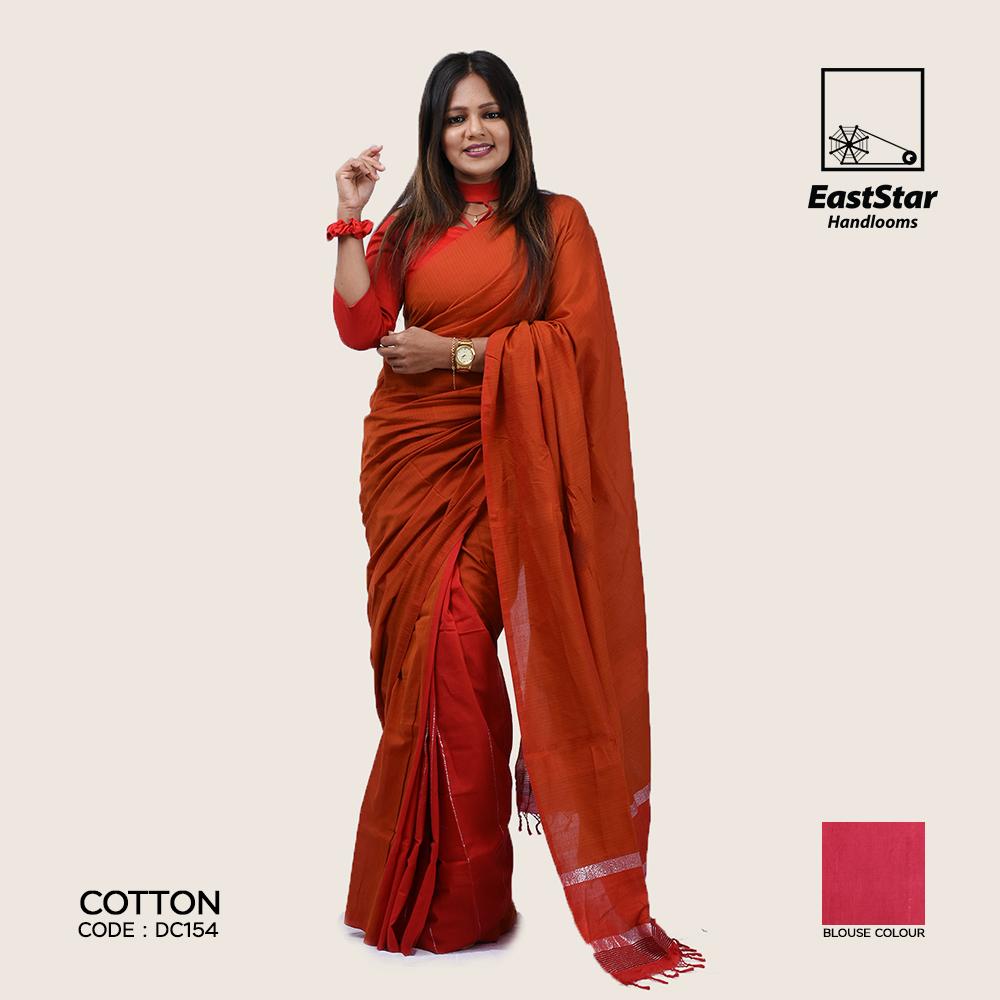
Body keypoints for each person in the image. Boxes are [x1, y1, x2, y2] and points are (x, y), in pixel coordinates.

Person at [329, 50, 706, 988]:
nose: (475, 131)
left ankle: (462, 897)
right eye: (456, 117)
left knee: (454, 639)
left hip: (512, 471)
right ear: (435, 131)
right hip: (410, 468)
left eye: (489, 112)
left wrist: (458, 355)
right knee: (421, 664)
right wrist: (350, 217)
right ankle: (414, 888)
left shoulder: (556, 222)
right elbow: (361, 327)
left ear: (515, 123)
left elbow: (578, 344)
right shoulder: (410, 224)